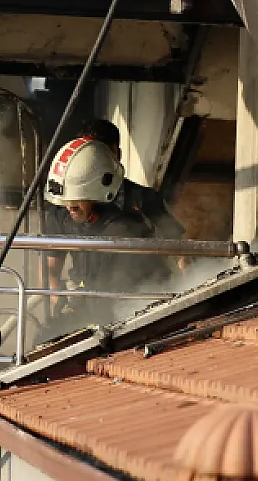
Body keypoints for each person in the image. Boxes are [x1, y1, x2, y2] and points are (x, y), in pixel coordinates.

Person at [41, 135, 166, 327]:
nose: (70, 207)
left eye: (77, 200)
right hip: (85, 304)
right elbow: (50, 270)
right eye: (66, 201)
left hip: (127, 313)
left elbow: (133, 289)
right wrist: (59, 302)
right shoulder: (60, 214)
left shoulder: (127, 228)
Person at [76, 118, 186, 240]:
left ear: (116, 152)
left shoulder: (146, 199)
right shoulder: (70, 207)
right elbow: (54, 256)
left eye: (97, 155)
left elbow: (179, 248)